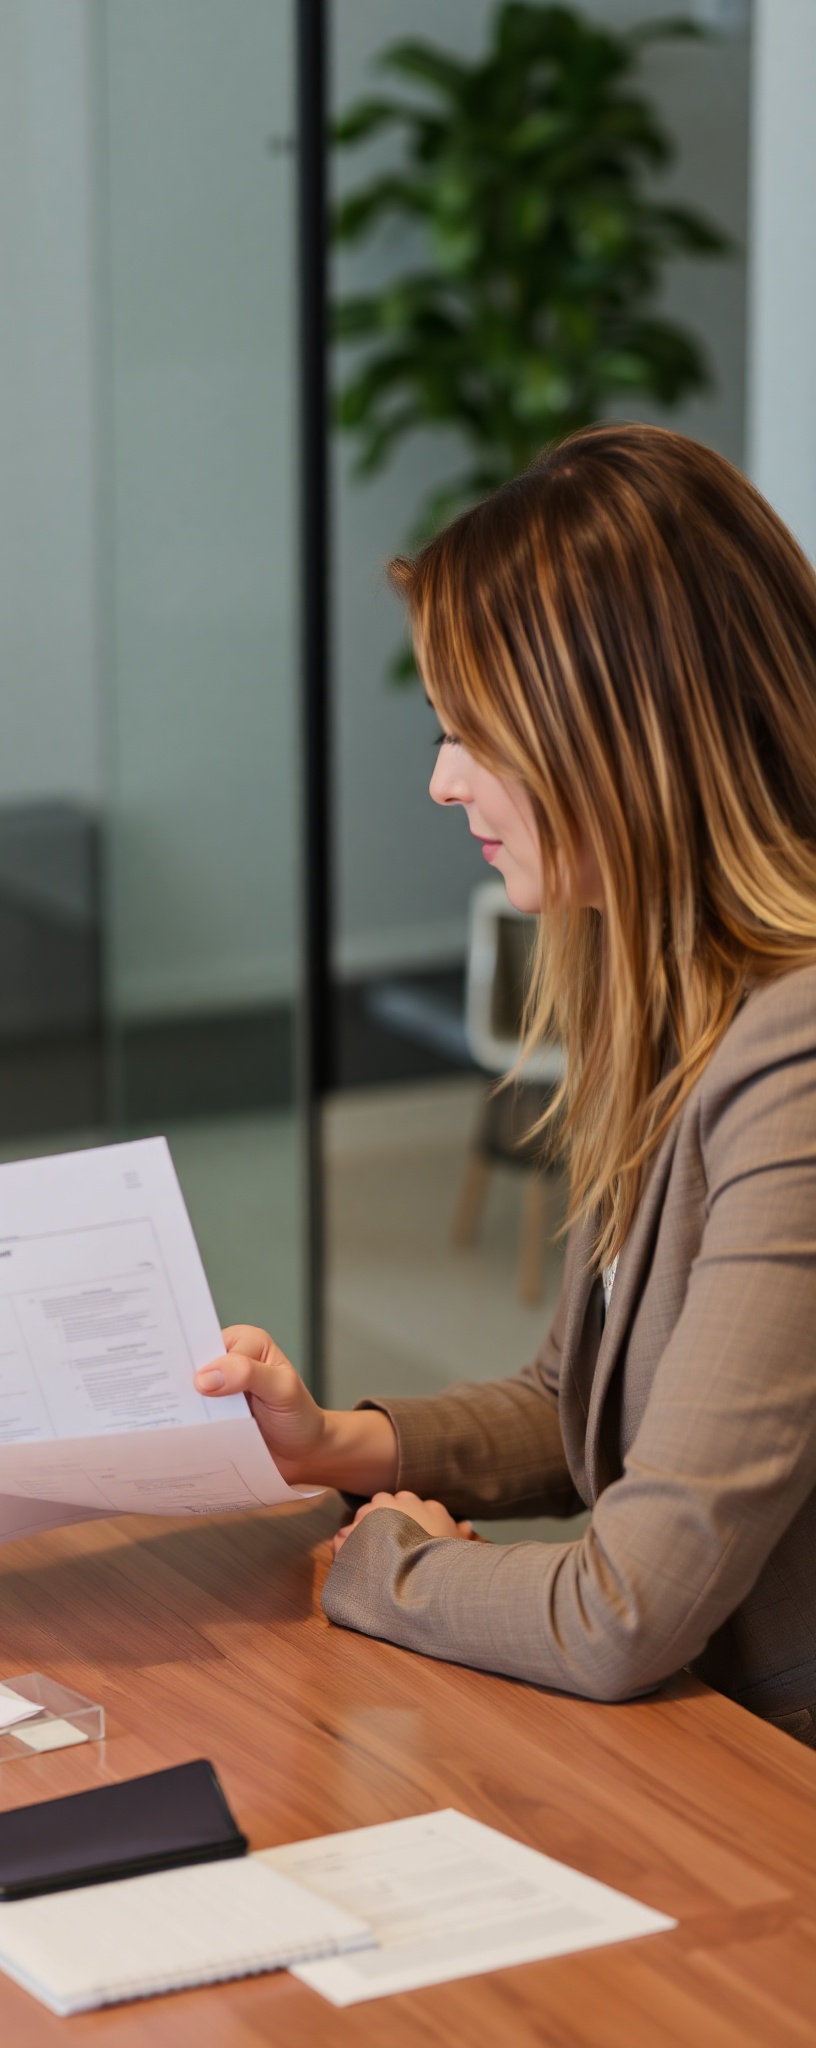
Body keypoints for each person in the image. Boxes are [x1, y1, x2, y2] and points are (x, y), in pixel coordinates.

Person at [201, 423, 816, 1747]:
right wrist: (335, 1449)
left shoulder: (800, 1063)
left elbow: (621, 1611)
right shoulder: (684, 1001)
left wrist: (384, 1565)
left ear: (627, 739)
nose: (441, 780)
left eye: (474, 735)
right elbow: (575, 1401)